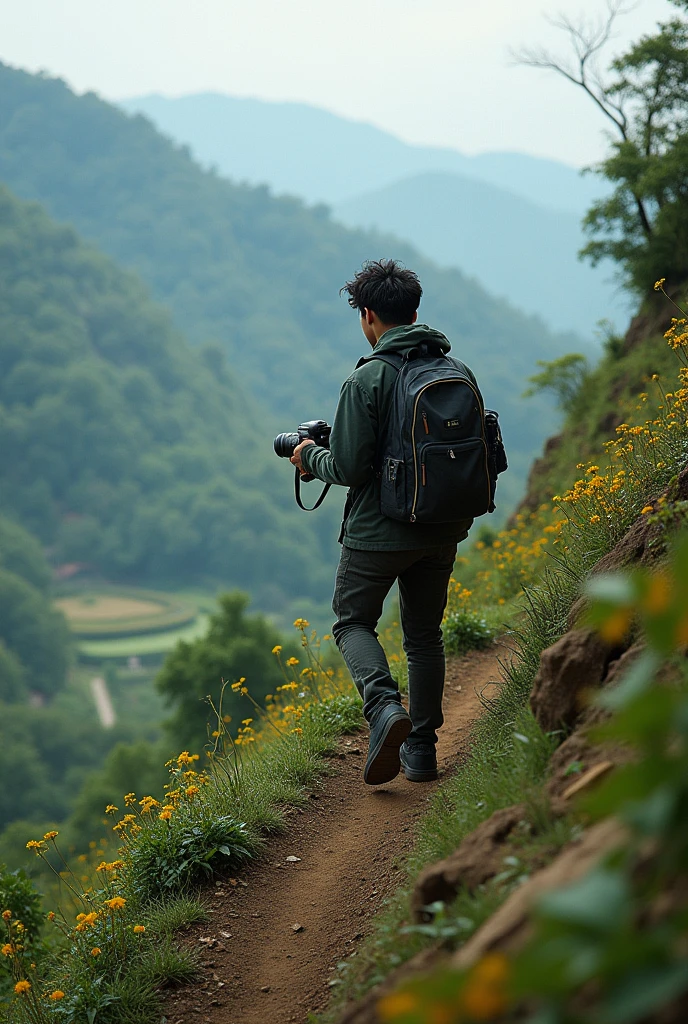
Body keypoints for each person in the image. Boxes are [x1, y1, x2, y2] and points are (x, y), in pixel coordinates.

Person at [291, 259, 474, 786]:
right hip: (441, 527)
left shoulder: (367, 377)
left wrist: (308, 457)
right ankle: (421, 752)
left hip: (378, 533)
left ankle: (383, 708)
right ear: (414, 310)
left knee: (352, 622)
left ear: (368, 315)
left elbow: (347, 467)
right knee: (424, 635)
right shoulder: (456, 371)